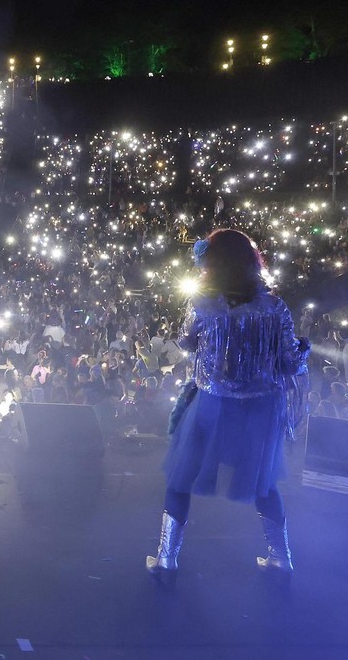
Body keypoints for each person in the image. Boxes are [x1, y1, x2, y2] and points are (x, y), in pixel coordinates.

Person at [147, 229, 309, 581]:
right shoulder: (274, 307)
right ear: (252, 261)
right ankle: (281, 558)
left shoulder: (203, 303)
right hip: (259, 410)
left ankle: (166, 558)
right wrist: (305, 349)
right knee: (264, 484)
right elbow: (290, 363)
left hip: (211, 405)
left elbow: (187, 343)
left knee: (181, 478)